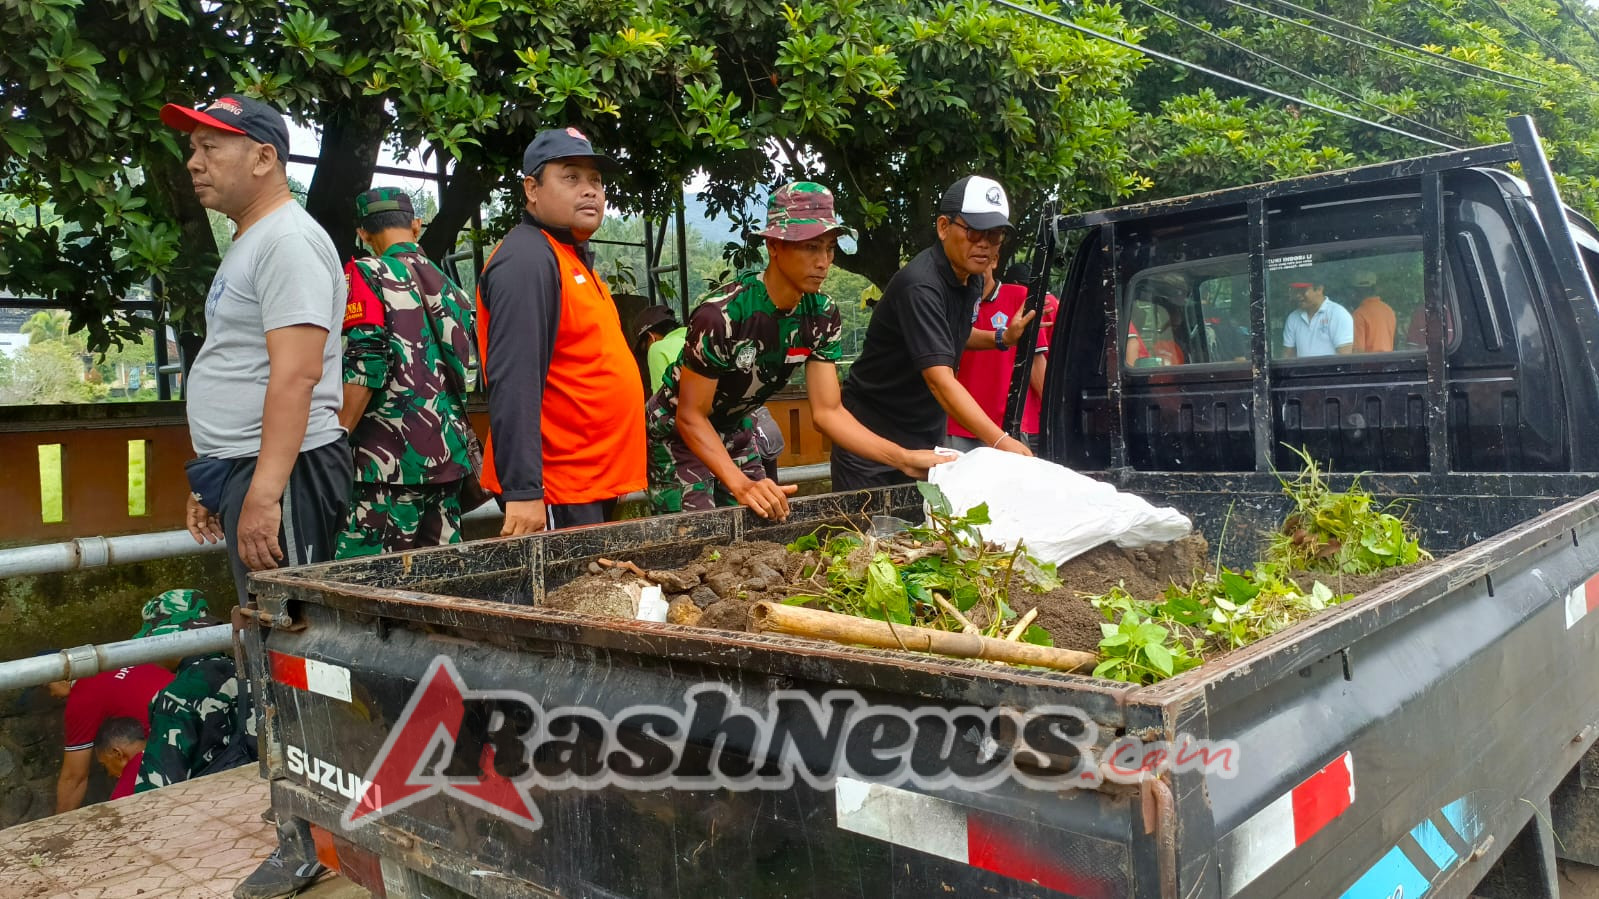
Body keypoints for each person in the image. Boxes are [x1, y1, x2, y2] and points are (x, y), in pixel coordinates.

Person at [160, 92, 350, 899]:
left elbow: (297, 373)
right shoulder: (253, 243)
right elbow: (240, 369)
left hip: (289, 474)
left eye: (212, 145)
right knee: (270, 650)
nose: (195, 161)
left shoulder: (290, 242)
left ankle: (313, 843)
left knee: (293, 654)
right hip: (249, 473)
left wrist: (265, 492)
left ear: (264, 157)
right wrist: (218, 478)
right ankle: (300, 828)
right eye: (192, 147)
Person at [647, 182, 949, 518]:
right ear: (775, 246)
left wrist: (904, 459)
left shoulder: (821, 315)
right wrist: (742, 484)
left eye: (830, 248)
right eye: (810, 247)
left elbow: (828, 412)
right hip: (678, 431)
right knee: (698, 535)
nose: (824, 262)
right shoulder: (722, 315)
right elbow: (690, 415)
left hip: (735, 428)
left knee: (758, 527)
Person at [476, 127, 645, 534]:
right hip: (556, 490)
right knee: (565, 596)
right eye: (571, 177)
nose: (589, 191)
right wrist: (523, 491)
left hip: (588, 482)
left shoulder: (568, 257)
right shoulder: (527, 259)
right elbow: (514, 380)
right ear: (532, 189)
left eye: (596, 180)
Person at [832, 175, 1035, 489]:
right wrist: (1001, 441)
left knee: (924, 537)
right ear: (943, 227)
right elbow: (940, 380)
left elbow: (952, 334)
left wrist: (1001, 338)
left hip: (925, 438)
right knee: (868, 537)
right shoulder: (921, 286)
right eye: (975, 231)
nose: (985, 244)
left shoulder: (972, 277)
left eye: (995, 236)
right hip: (872, 441)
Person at [335, 188, 476, 558]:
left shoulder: (365, 273)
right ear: (415, 226)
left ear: (363, 233)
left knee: (368, 587)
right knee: (441, 581)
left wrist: (337, 439)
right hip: (448, 460)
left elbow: (366, 366)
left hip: (386, 467)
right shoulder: (453, 290)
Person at [947, 262, 1058, 451]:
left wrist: (1058, 416)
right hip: (958, 425)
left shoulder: (1019, 296)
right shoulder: (948, 302)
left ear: (994, 259)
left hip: (1008, 426)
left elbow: (1035, 366)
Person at [50, 662, 173, 812]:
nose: (51, 694)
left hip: (171, 737)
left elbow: (74, 777)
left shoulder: (83, 697)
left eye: (47, 686)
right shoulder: (118, 659)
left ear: (62, 677)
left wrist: (59, 826)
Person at [1281, 279, 1354, 358]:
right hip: (1301, 370)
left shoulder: (1338, 314)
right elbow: (1287, 355)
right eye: (1295, 291)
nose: (1298, 295)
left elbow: (1344, 356)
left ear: (1319, 289)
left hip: (1330, 370)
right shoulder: (1293, 317)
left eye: (1302, 290)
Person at [629, 304, 686, 394]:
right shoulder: (693, 337)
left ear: (651, 337)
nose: (647, 354)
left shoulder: (657, 348)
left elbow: (662, 403)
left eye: (645, 349)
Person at [93, 718, 148, 801]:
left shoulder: (122, 795)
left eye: (105, 765)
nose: (109, 773)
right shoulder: (169, 748)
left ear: (117, 753)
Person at [1351, 271, 1396, 353]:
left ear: (1357, 291)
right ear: (1375, 288)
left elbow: (1358, 352)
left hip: (1369, 364)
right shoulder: (1389, 310)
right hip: (1389, 362)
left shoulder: (1359, 314)